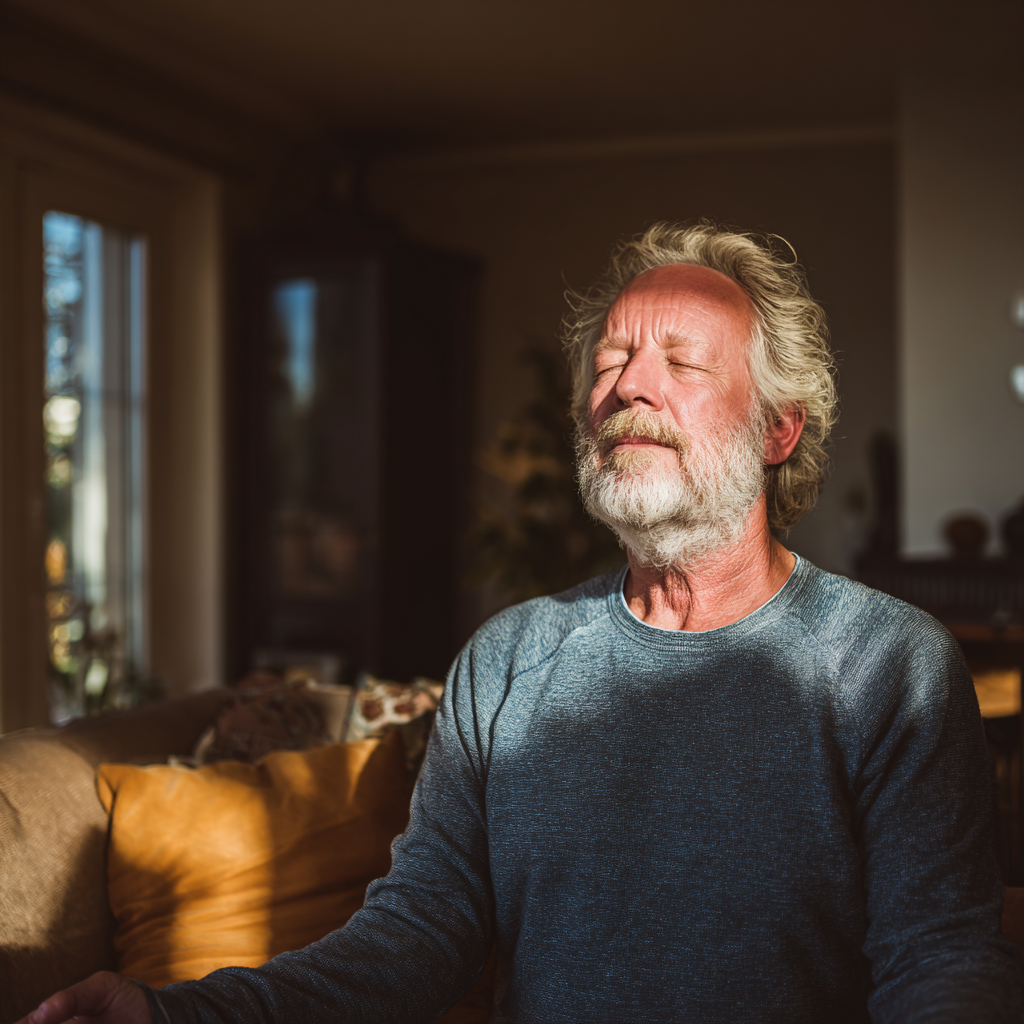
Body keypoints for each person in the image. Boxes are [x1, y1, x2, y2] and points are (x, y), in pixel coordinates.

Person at [23, 222, 1023, 1023]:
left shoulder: (889, 665)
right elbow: (412, 938)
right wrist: (170, 1015)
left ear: (776, 429)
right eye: (612, 359)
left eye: (679, 362)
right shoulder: (507, 660)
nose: (626, 385)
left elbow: (943, 962)